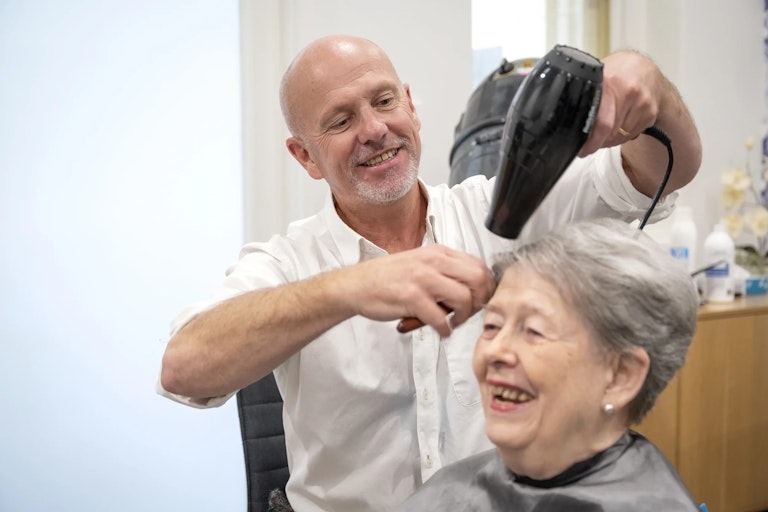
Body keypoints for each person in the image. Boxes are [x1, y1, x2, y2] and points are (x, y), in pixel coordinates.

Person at [158, 34, 702, 512]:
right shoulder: (287, 263)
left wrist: (649, 85)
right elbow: (183, 367)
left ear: (411, 106)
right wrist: (351, 288)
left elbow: (660, 169)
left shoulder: (504, 209)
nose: (374, 129)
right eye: (341, 121)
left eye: (384, 101)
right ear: (304, 156)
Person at [394, 218, 701, 511]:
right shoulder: (449, 490)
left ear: (620, 376)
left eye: (534, 331)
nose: (495, 351)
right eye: (492, 326)